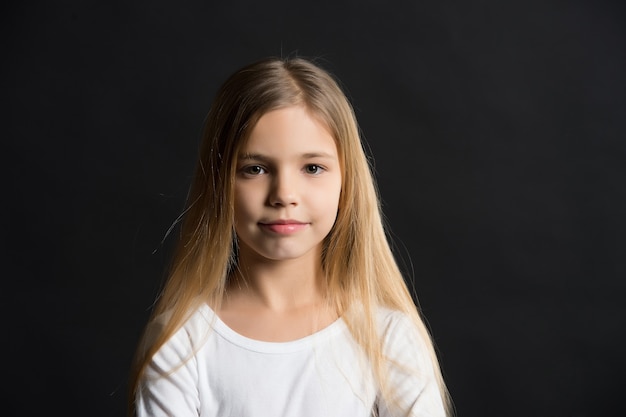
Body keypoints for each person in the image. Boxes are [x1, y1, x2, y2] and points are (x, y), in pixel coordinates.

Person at [128, 56, 453, 417]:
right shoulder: (179, 344)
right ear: (219, 183)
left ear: (347, 183)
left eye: (313, 168)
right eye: (255, 169)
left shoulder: (388, 339)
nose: (284, 194)